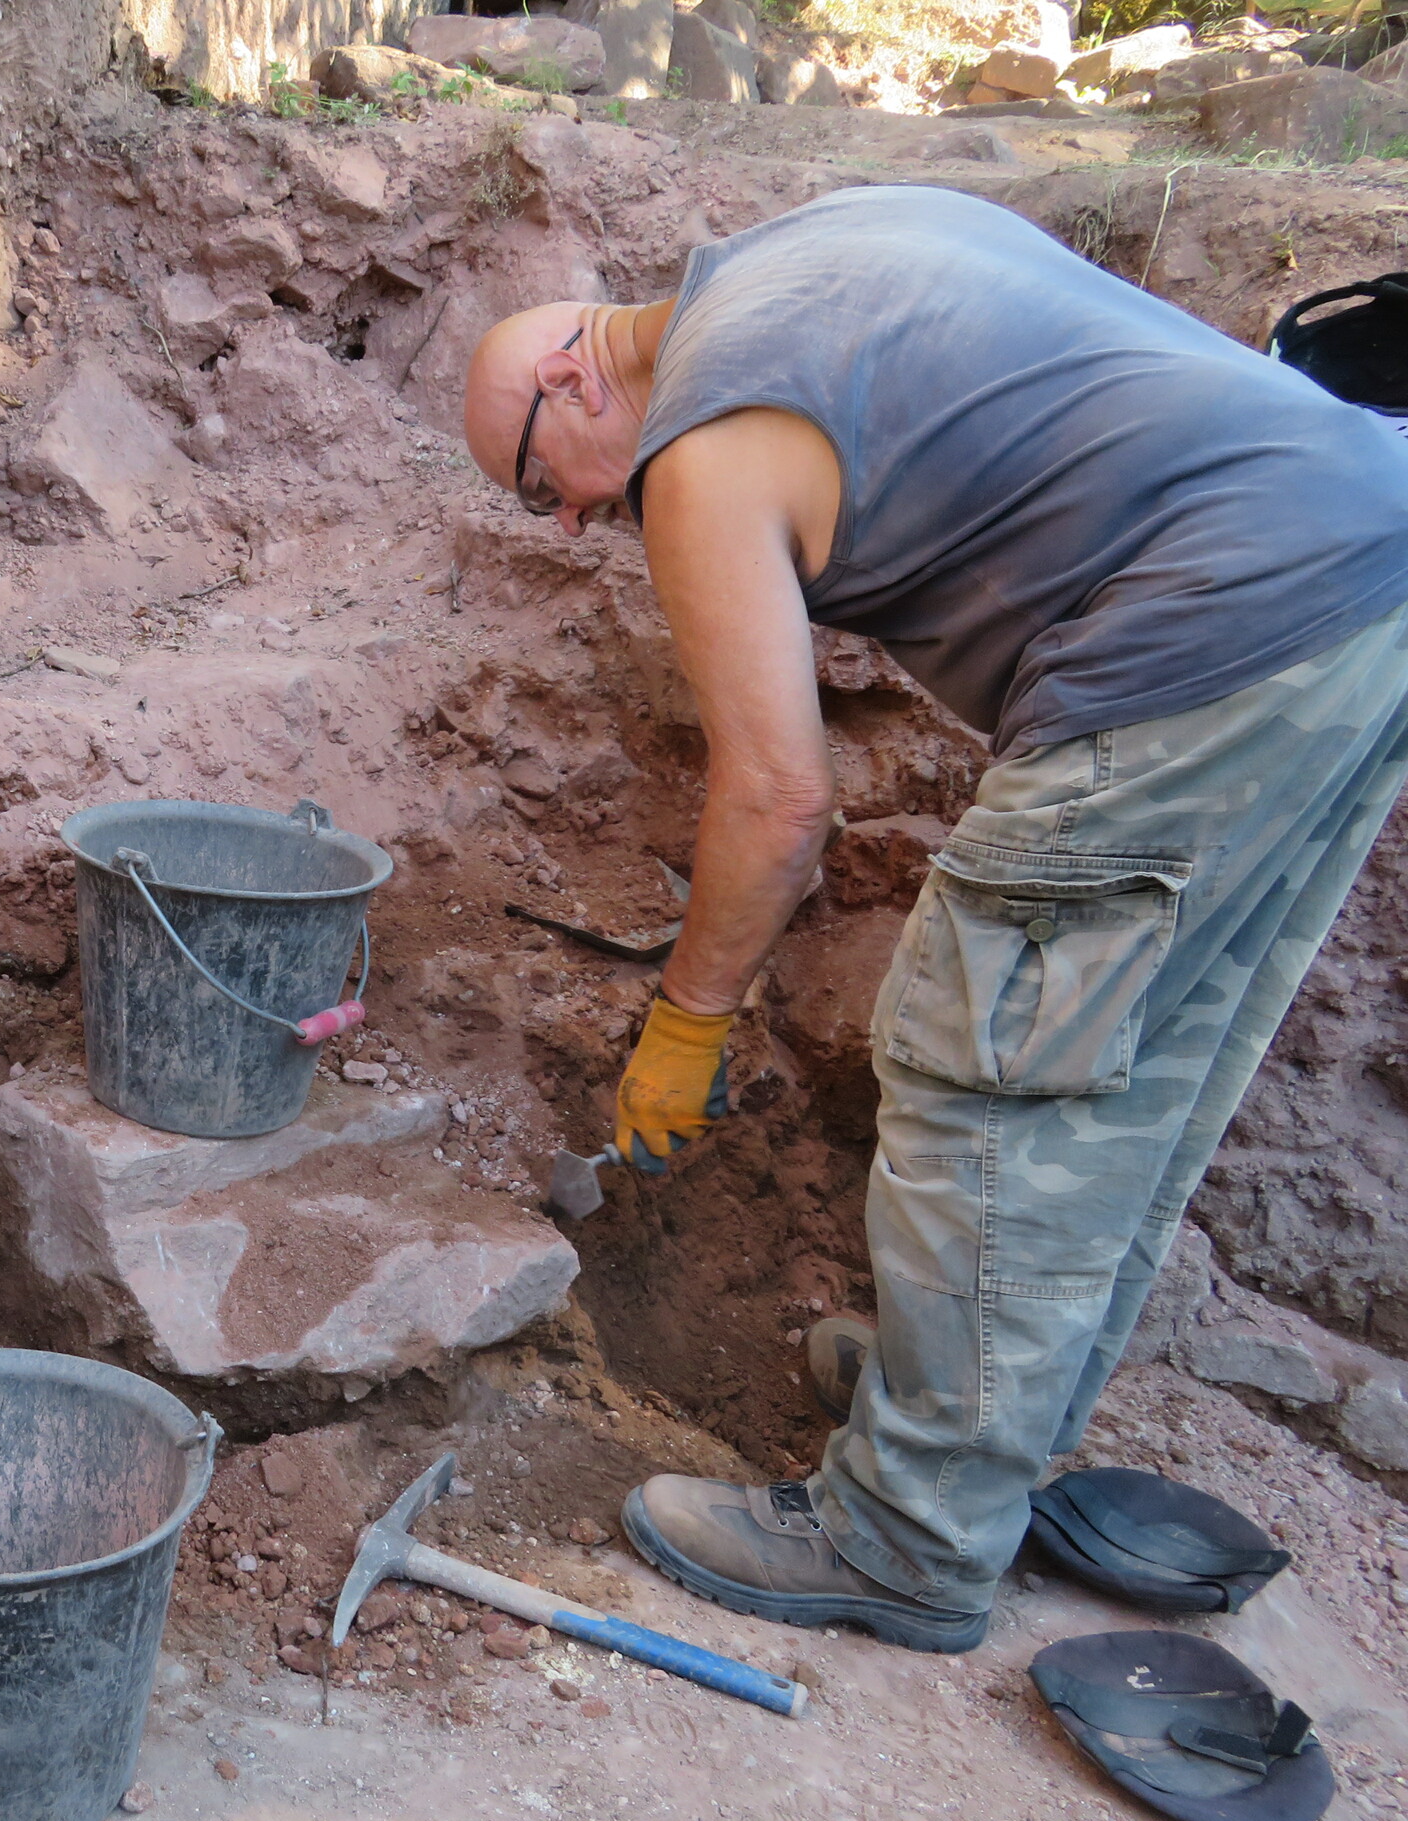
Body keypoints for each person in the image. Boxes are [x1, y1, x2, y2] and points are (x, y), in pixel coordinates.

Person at [459, 184, 1408, 1653]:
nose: (577, 519)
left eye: (543, 487)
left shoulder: (702, 449)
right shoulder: (795, 254)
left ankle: (907, 1531)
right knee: (1134, 1061)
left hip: (1209, 620)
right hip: (1367, 560)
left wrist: (687, 1026)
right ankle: (978, 1425)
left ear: (574, 380)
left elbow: (780, 802)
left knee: (988, 1065)